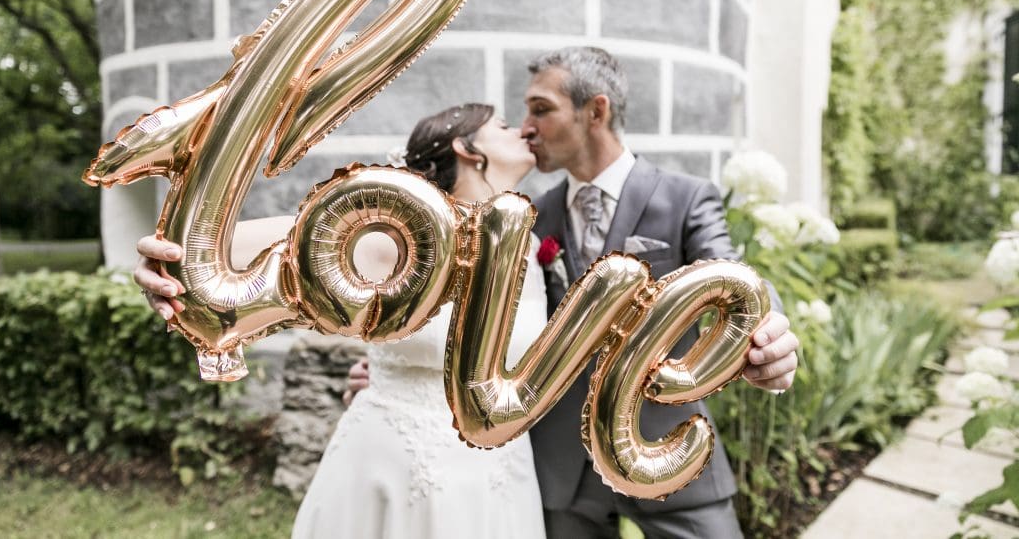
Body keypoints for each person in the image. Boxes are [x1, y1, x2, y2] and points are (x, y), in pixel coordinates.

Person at [345, 46, 799, 538]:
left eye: (541, 109)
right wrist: (404, 375)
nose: (526, 126)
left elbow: (735, 273)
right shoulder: (530, 215)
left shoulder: (684, 197)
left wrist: (769, 330)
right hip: (561, 469)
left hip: (667, 451)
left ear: (596, 111)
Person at [134, 104, 549, 539]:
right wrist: (161, 257)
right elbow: (236, 245)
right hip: (396, 461)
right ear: (467, 148)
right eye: (503, 126)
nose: (521, 130)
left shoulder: (528, 243)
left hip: (500, 468)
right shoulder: (407, 232)